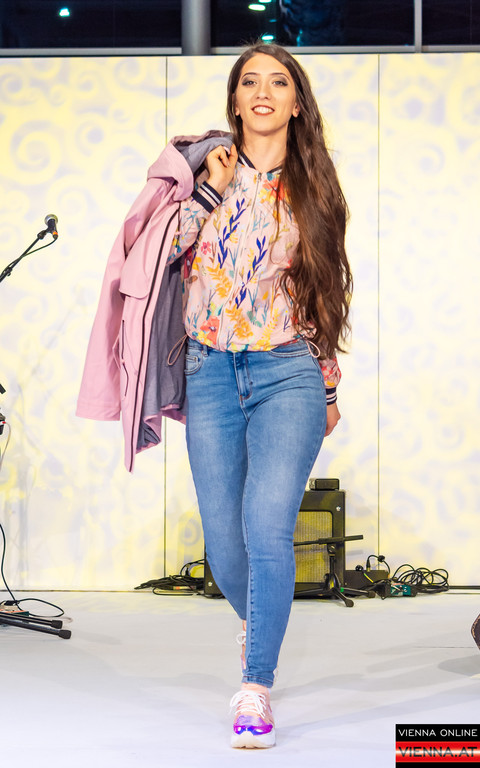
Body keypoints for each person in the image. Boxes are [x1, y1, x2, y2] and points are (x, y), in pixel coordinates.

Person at [77, 42, 351, 750]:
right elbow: (157, 261)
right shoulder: (203, 173)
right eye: (249, 81)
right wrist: (209, 193)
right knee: (225, 548)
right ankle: (258, 622)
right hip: (211, 372)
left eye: (279, 82)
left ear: (297, 103)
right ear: (234, 99)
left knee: (267, 527)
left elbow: (326, 295)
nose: (263, 91)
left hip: (287, 370)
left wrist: (326, 384)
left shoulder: (316, 188)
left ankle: (255, 687)